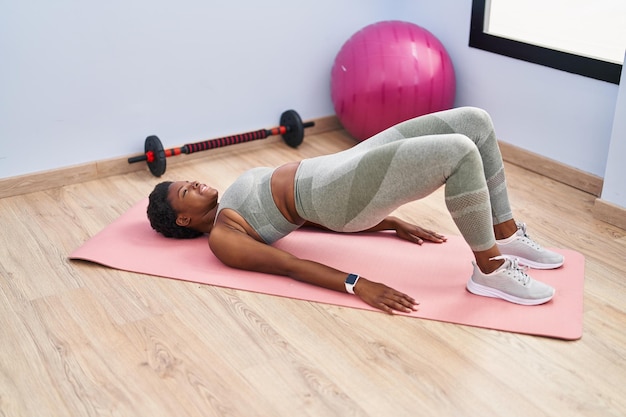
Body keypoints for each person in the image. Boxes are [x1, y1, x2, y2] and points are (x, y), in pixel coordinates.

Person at [147, 107, 564, 314]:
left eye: (190, 181)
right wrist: (357, 284)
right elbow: (291, 265)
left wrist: (389, 224)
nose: (196, 183)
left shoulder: (227, 204)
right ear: (183, 218)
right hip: (338, 194)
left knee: (474, 121)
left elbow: (304, 224)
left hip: (342, 165)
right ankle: (488, 269)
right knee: (458, 152)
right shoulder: (223, 238)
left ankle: (506, 235)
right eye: (187, 191)